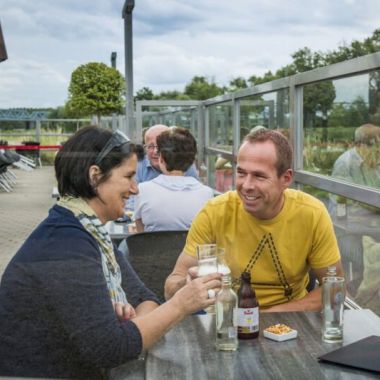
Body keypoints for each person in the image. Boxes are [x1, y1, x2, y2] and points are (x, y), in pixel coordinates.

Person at [0, 126, 221, 379]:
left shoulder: (89, 231)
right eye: (129, 176)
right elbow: (112, 348)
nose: (136, 189)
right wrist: (181, 304)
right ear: (95, 176)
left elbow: (144, 297)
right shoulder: (65, 244)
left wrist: (129, 327)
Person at [165, 129, 344, 312]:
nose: (247, 185)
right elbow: (170, 287)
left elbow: (334, 288)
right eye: (241, 173)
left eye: (259, 176)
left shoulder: (311, 213)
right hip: (226, 322)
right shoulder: (214, 212)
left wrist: (264, 317)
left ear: (286, 179)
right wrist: (186, 286)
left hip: (288, 321)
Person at [134, 127, 214, 232]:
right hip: (191, 248)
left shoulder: (142, 190)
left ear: (161, 158)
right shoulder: (207, 194)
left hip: (152, 248)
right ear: (191, 161)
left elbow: (141, 232)